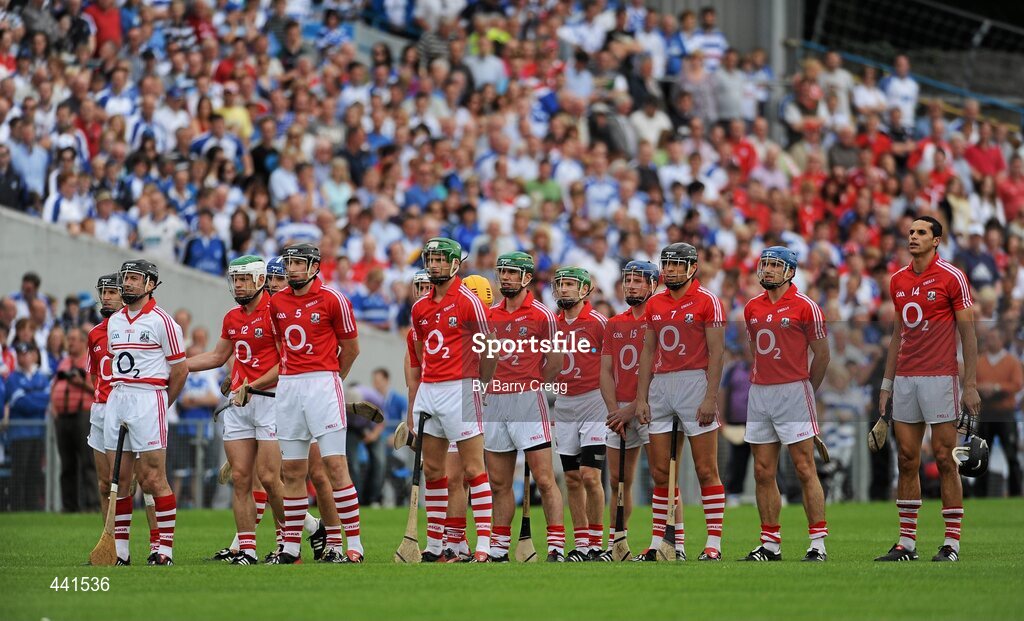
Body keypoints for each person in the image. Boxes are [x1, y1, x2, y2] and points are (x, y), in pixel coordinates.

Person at [877, 216, 979, 562]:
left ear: (937, 240)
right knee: (907, 459)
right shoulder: (897, 280)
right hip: (905, 378)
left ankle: (951, 543)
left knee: (945, 458)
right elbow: (897, 336)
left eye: (921, 232)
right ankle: (906, 543)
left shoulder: (952, 277)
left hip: (940, 377)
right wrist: (887, 385)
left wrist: (971, 384)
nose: (914, 237)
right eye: (911, 232)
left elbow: (968, 333)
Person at [186, 256, 286, 564]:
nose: (238, 285)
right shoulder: (232, 317)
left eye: (244, 279)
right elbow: (218, 356)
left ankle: (290, 539)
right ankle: (247, 549)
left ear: (258, 280)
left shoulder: (276, 312)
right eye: (236, 280)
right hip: (239, 404)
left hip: (269, 401)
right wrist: (177, 366)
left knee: (269, 478)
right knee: (241, 477)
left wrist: (251, 384)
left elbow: (285, 362)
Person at [268, 243, 364, 564]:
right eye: (289, 263)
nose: (292, 268)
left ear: (313, 267)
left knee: (335, 467)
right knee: (292, 470)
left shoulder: (333, 299)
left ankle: (354, 545)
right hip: (289, 386)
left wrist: (332, 378)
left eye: (299, 263)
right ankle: (292, 548)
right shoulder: (276, 301)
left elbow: (350, 348)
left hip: (323, 383)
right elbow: (281, 345)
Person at [634, 243, 727, 561]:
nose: (670, 269)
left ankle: (713, 543)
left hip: (694, 383)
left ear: (692, 268)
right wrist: (642, 397)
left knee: (705, 469)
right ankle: (666, 543)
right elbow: (647, 351)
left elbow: (717, 353)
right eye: (667, 264)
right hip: (661, 386)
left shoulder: (708, 301)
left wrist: (710, 397)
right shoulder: (654, 303)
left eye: (677, 264)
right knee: (660, 472)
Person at [740, 246, 830, 562]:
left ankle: (817, 543)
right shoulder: (752, 308)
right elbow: (755, 349)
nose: (766, 269)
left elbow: (822, 354)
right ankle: (770, 543)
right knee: (763, 471)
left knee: (805, 468)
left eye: (774, 265)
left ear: (790, 272)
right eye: (764, 264)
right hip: (760, 393)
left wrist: (806, 388)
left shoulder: (806, 307)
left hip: (794, 391)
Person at [409, 237, 496, 563]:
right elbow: (420, 352)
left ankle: (484, 544)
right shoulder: (419, 306)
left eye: (440, 260)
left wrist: (480, 383)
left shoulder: (467, 301)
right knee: (432, 469)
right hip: (430, 389)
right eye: (430, 259)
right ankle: (435, 544)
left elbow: (490, 346)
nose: (434, 265)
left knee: (473, 468)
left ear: (455, 264)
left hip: (460, 387)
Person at [482, 252, 566, 563]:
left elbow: (555, 362)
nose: (505, 278)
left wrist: (531, 384)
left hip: (528, 400)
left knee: (544, 478)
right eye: (502, 272)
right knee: (499, 482)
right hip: (495, 401)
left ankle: (556, 546)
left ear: (527, 278)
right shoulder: (490, 315)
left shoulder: (543, 315)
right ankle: (498, 549)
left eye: (512, 273)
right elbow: (486, 362)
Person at [104, 259, 188, 565]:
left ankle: (163, 548)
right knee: (121, 479)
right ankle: (121, 552)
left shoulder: (164, 322)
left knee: (153, 478)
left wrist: (163, 404)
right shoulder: (114, 321)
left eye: (134, 278)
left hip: (148, 397)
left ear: (150, 284)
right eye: (125, 277)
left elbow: (180, 370)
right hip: (118, 396)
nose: (127, 283)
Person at [551, 266, 608, 561]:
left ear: (585, 290)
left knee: (590, 476)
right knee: (571, 478)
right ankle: (582, 543)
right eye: (560, 284)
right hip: (564, 403)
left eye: (570, 284)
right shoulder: (551, 323)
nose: (563, 290)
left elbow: (611, 366)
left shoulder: (598, 323)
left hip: (593, 402)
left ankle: (598, 543)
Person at [603, 260, 659, 560]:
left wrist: (636, 406)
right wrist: (615, 411)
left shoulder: (659, 319)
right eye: (628, 280)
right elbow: (606, 371)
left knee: (662, 477)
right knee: (618, 480)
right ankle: (617, 544)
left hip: (649, 408)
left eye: (639, 280)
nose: (632, 285)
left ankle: (666, 541)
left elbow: (658, 368)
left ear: (652, 285)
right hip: (620, 412)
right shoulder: (614, 323)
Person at [51, 326, 97, 512]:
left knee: (88, 462)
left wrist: (81, 383)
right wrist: (54, 407)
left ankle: (92, 504)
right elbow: (55, 386)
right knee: (67, 464)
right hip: (63, 417)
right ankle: (69, 506)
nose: (70, 343)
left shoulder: (89, 362)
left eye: (74, 339)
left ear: (83, 342)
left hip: (83, 415)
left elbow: (98, 389)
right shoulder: (64, 363)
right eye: (68, 339)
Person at [974, 327, 1023, 497]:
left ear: (1001, 340)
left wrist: (996, 387)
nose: (990, 341)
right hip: (986, 413)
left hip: (1005, 414)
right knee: (981, 456)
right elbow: (972, 382)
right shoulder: (980, 361)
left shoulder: (1011, 361)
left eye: (994, 338)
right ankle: (980, 495)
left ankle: (1016, 493)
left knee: (1011, 454)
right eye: (988, 338)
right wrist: (983, 388)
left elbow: (1017, 384)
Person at [3, 341, 50, 511]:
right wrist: (37, 398)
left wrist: (31, 397)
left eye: (27, 353)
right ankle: (17, 507)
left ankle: (31, 507)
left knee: (34, 473)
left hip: (37, 434)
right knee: (19, 473)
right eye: (20, 354)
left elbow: (46, 400)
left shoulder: (41, 376)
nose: (24, 357)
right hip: (19, 435)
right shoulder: (13, 378)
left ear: (34, 354)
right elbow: (21, 403)